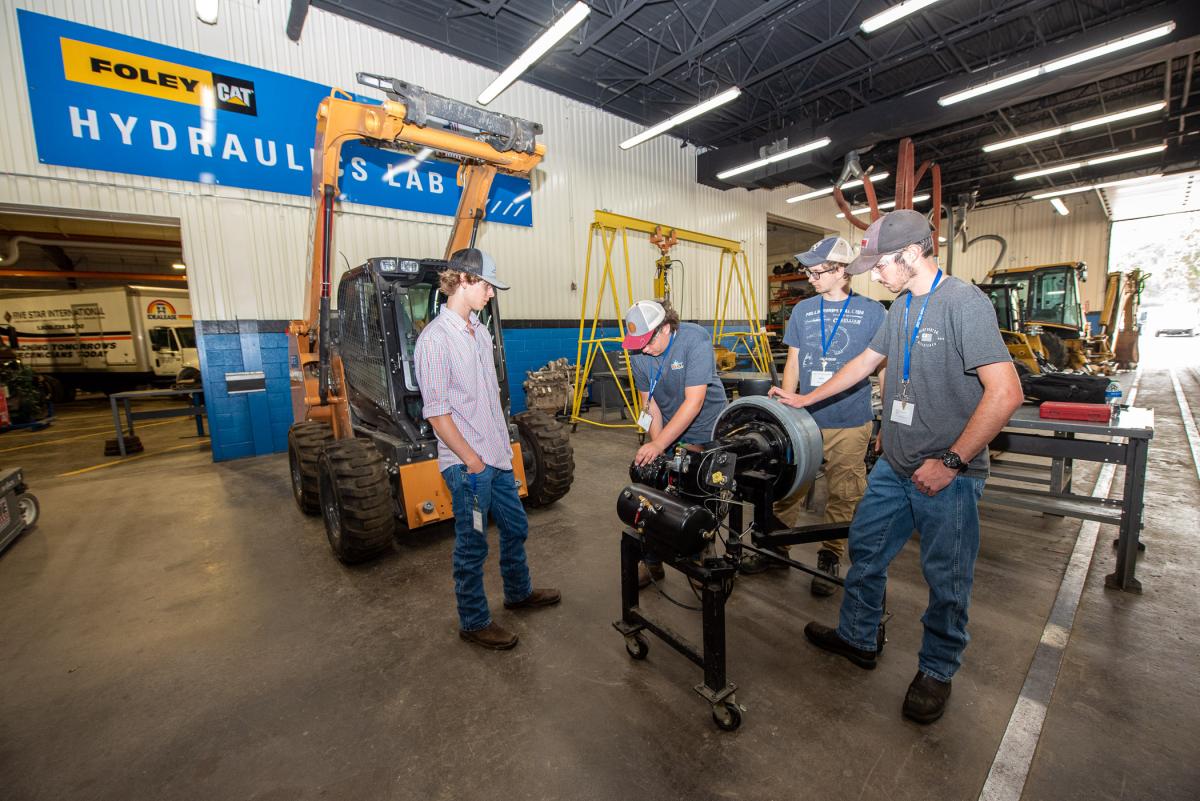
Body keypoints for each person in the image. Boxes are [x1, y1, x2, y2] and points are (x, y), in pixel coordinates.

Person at [769, 210, 1023, 723]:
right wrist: (805, 400)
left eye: (880, 264)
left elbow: (1007, 392)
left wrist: (952, 460)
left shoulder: (962, 303)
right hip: (896, 464)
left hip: (946, 474)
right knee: (866, 549)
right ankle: (858, 637)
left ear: (910, 255)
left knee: (947, 578)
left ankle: (937, 669)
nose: (874, 274)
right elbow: (865, 365)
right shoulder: (901, 305)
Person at [414, 248, 561, 651]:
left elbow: (486, 400)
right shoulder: (435, 341)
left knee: (516, 526)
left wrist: (502, 449)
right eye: (486, 285)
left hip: (496, 457)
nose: (492, 293)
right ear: (462, 280)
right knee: (472, 543)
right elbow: (438, 415)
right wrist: (473, 461)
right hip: (469, 467)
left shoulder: (478, 332)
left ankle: (518, 592)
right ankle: (474, 620)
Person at [760, 236, 885, 595]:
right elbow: (795, 361)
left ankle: (829, 553)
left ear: (842, 272)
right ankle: (776, 547)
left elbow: (883, 368)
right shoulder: (802, 310)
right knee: (789, 485)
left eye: (817, 271)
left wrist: (888, 418)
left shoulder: (875, 312)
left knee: (844, 492)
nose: (810, 277)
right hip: (804, 419)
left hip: (850, 419)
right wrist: (787, 405)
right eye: (809, 271)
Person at [623, 299, 728, 587]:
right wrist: (659, 450)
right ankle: (653, 562)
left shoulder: (695, 340)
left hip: (706, 426)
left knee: (698, 494)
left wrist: (660, 446)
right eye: (637, 344)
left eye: (647, 342)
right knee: (654, 493)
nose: (642, 349)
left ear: (666, 328)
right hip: (669, 425)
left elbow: (694, 403)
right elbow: (649, 405)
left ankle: (703, 557)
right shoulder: (638, 352)